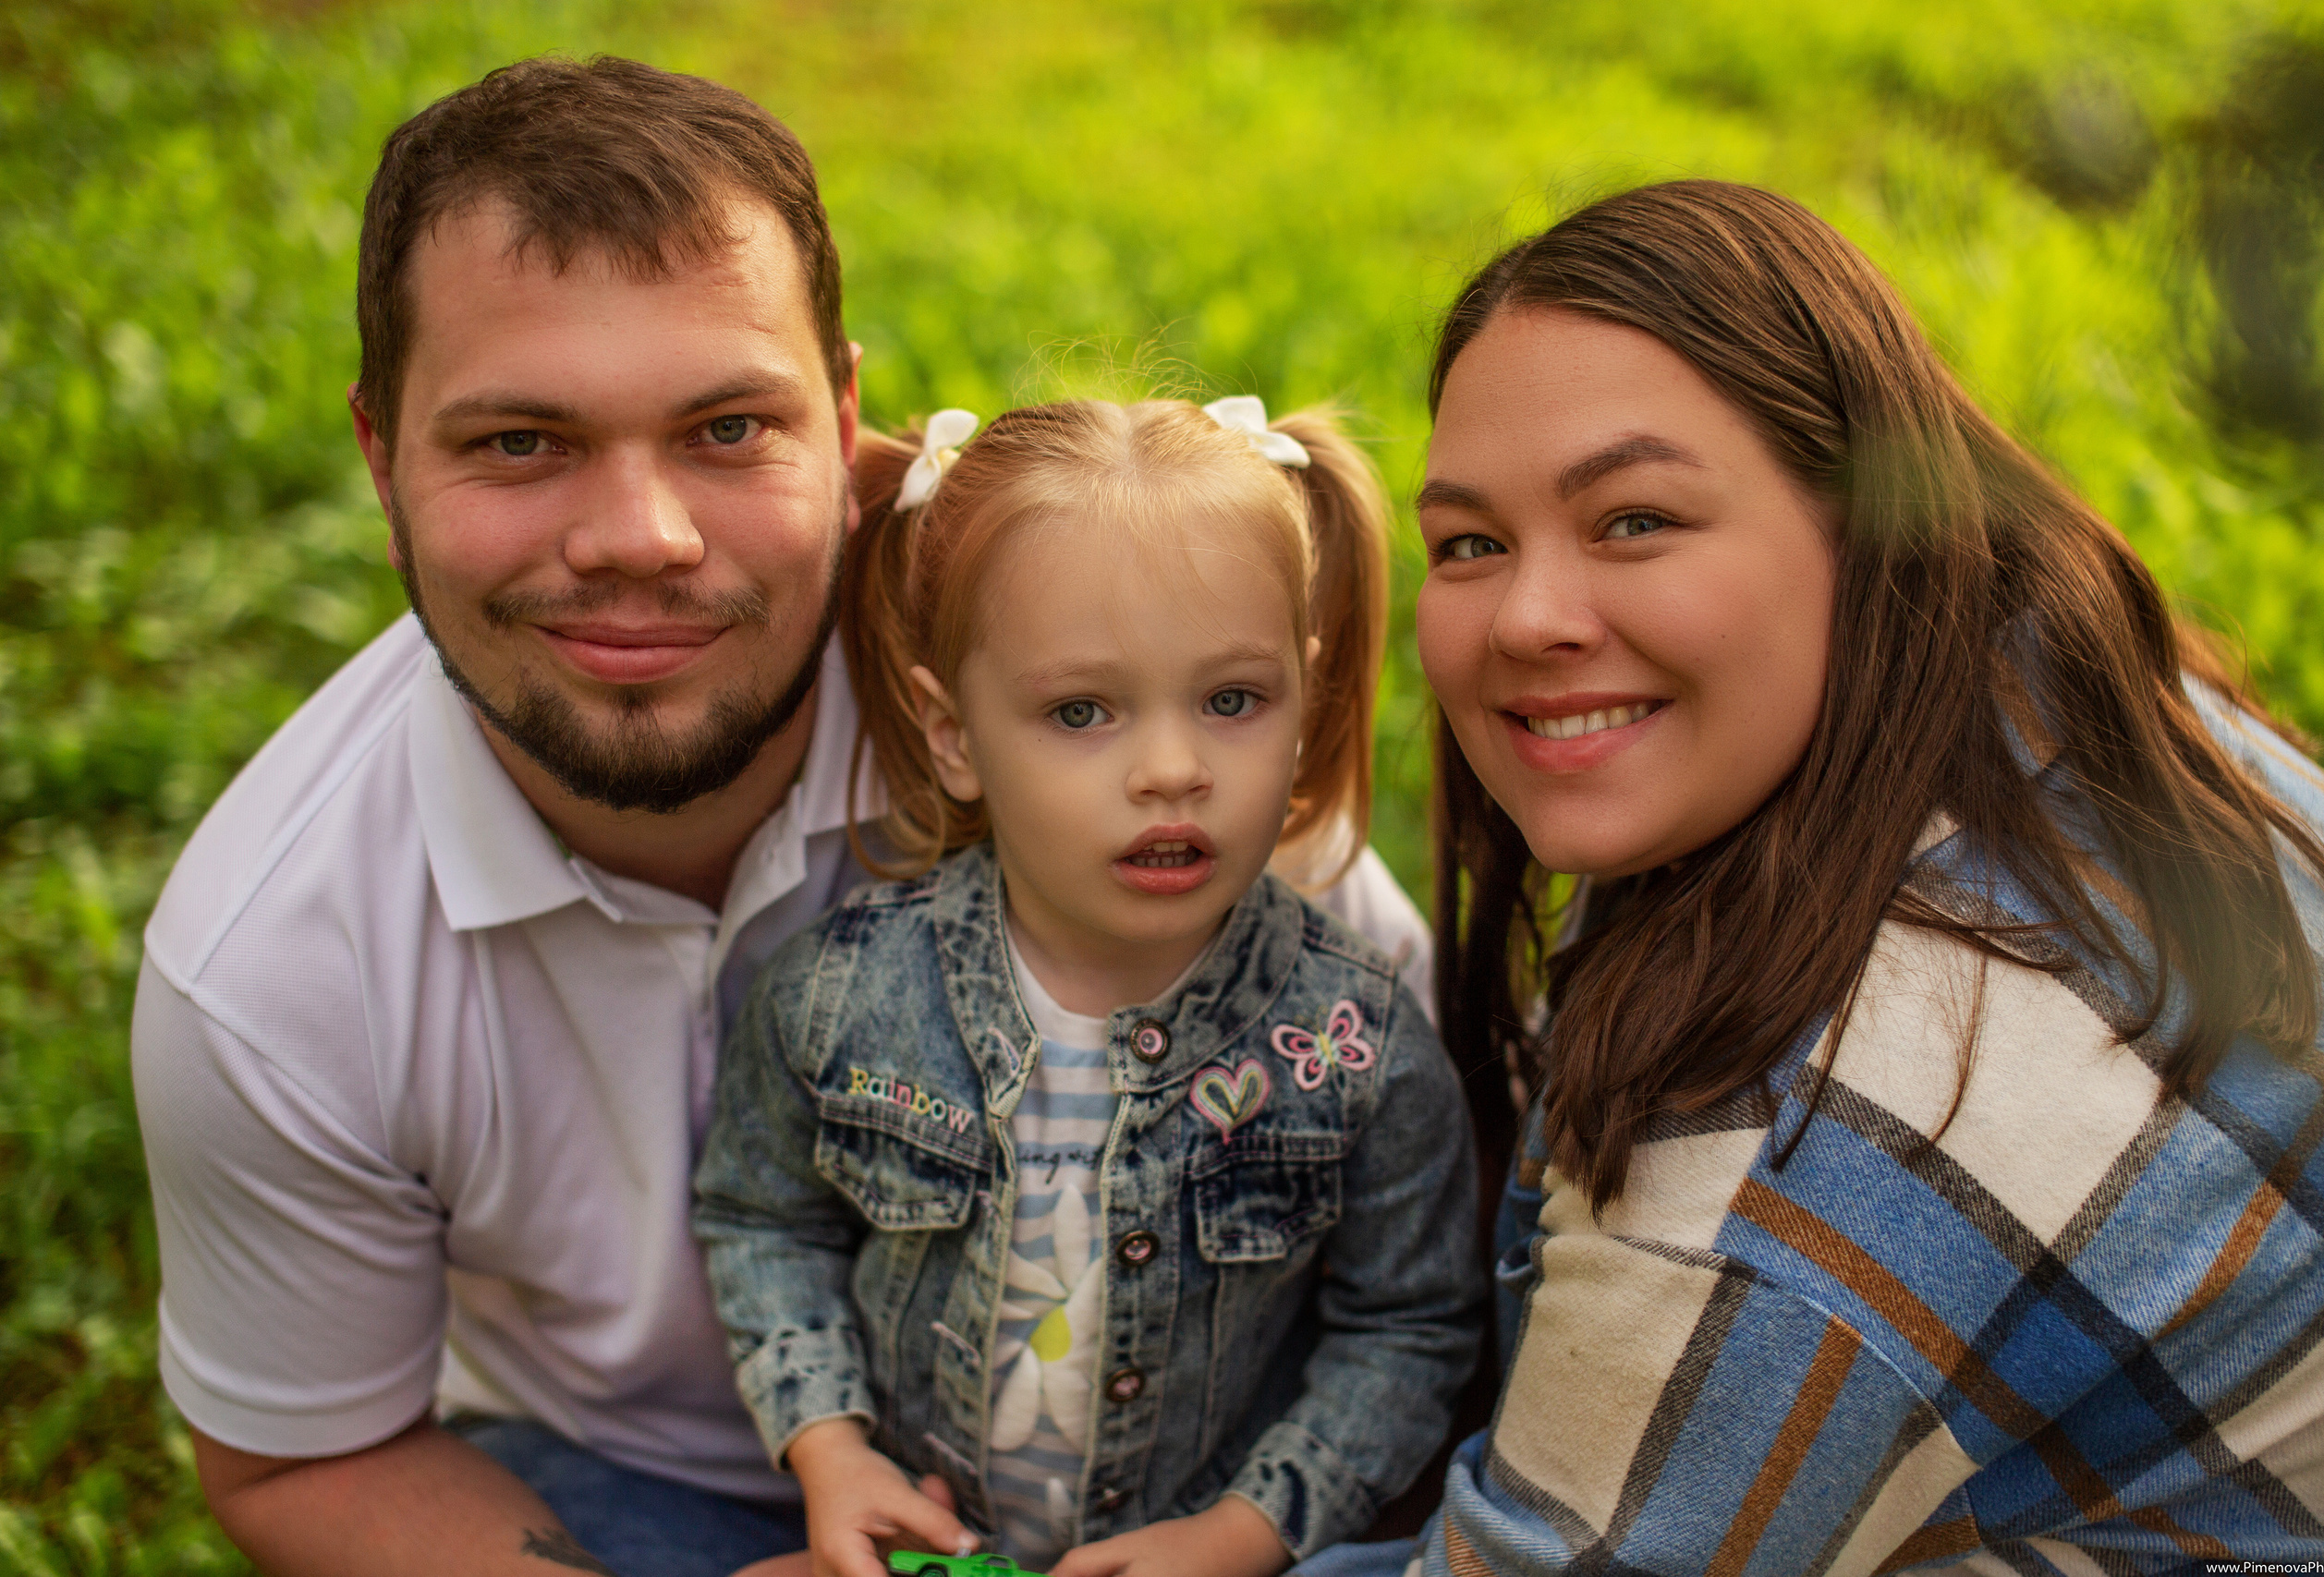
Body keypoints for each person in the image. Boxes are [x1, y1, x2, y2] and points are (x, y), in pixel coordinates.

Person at [128, 57, 1431, 1577]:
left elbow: (1408, 1226)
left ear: (846, 419)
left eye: (729, 428)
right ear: (378, 458)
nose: (642, 539)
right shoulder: (272, 964)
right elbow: (307, 1456)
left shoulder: (1088, 660)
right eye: (519, 441)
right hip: (637, 1487)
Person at [1381, 179, 2324, 1575]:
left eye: (1635, 520)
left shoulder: (1810, 1172)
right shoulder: (2049, 685)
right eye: (1471, 542)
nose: (1528, 616)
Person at [692, 396, 1486, 1577]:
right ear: (952, 732)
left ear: (1306, 696)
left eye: (1232, 701)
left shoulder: (1352, 1044)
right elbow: (762, 1220)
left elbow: (1411, 1325)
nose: (1171, 769)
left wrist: (1245, 1533)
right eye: (1080, 711)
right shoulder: (843, 996)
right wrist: (829, 1449)